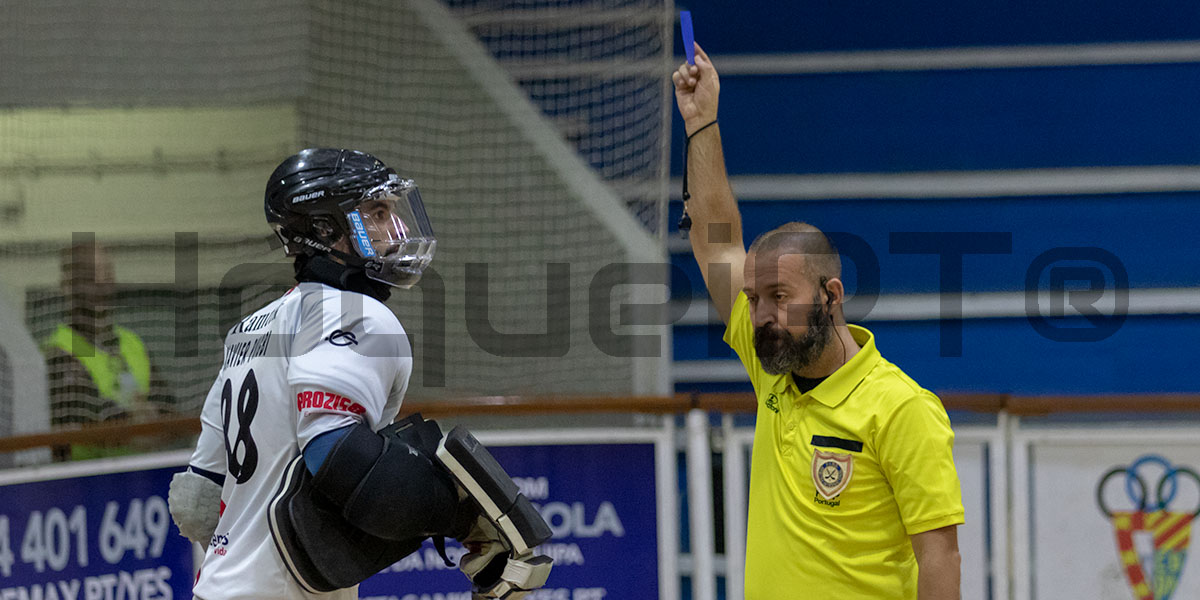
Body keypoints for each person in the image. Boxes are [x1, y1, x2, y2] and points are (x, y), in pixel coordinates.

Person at [167, 149, 552, 600]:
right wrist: (462, 517)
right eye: (377, 213)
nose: (398, 230)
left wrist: (246, 545)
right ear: (327, 230)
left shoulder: (248, 331)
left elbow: (194, 501)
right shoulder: (358, 315)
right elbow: (338, 455)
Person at [672, 46, 964, 599]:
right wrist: (701, 121)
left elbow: (939, 555)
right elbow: (714, 238)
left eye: (778, 296)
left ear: (832, 295)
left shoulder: (901, 408)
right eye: (754, 298)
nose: (760, 315)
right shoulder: (773, 372)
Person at [42, 241, 172, 459]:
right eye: (90, 275)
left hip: (142, 482)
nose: (101, 282)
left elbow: (172, 414)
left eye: (107, 273)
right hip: (88, 485)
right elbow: (87, 421)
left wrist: (146, 424)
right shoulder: (58, 351)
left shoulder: (133, 343)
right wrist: (140, 422)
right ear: (67, 285)